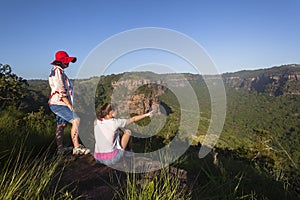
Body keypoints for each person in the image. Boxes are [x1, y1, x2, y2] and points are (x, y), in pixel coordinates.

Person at [48, 50, 90, 155]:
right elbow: (61, 91)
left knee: (61, 125)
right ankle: (77, 147)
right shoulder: (58, 72)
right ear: (60, 62)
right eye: (66, 61)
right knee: (76, 120)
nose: (68, 63)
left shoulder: (57, 71)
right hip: (59, 103)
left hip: (57, 103)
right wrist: (70, 105)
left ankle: (60, 149)